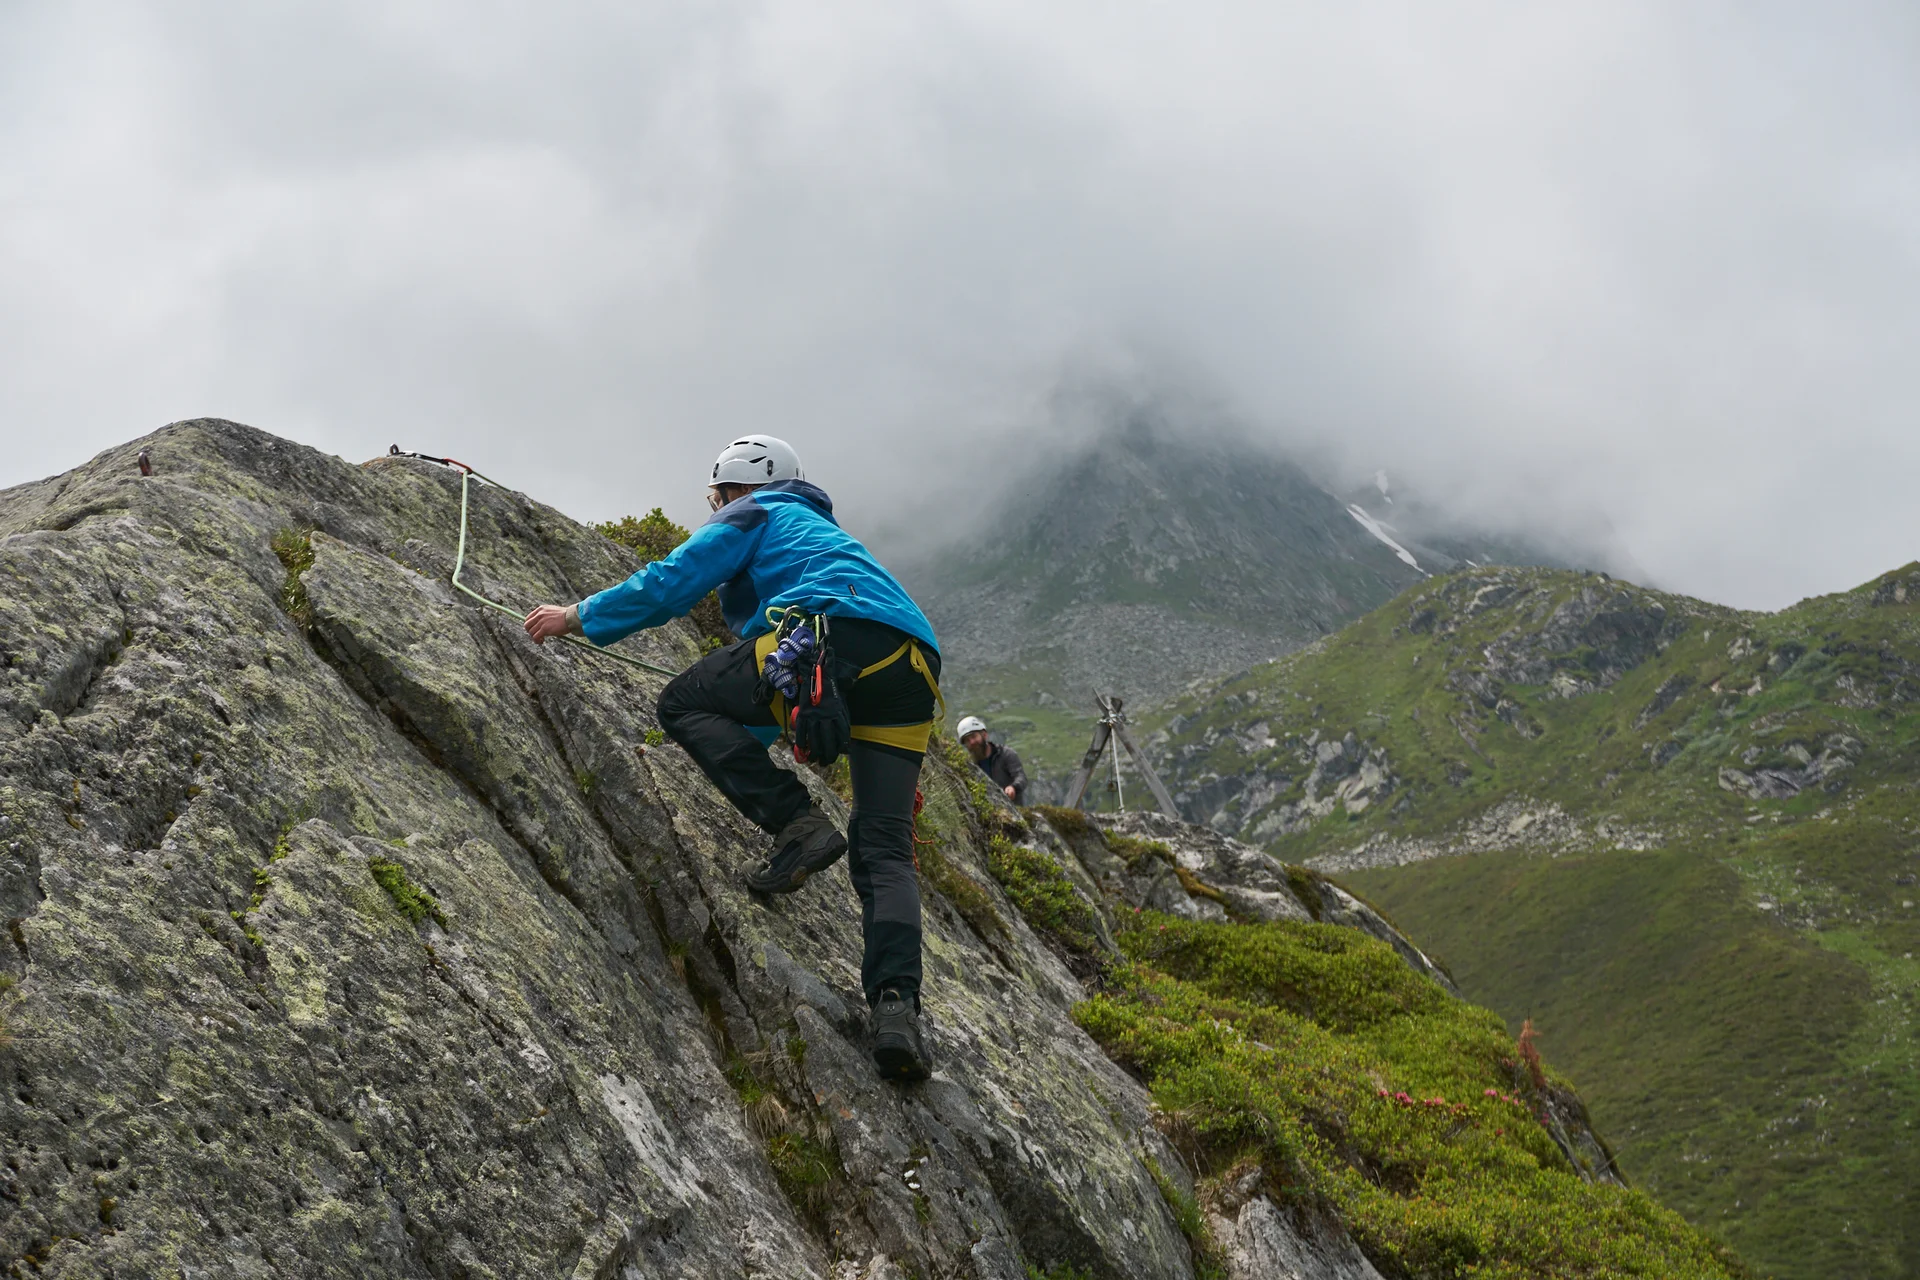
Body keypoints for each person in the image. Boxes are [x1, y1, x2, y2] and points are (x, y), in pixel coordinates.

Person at [523, 435, 943, 1082]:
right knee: (884, 846)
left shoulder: (757, 511)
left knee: (684, 702)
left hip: (825, 636)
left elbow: (670, 583)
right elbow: (756, 712)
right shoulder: (820, 534)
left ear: (730, 489)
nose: (712, 507)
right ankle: (896, 1014)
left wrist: (577, 616)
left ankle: (797, 824)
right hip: (913, 663)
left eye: (714, 497)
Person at [957, 715, 1027, 806]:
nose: (972, 742)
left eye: (974, 736)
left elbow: (1021, 777)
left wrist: (1013, 787)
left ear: (984, 735)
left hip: (1014, 811)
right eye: (967, 740)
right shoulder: (969, 766)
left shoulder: (1006, 754)